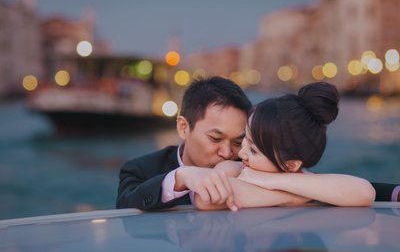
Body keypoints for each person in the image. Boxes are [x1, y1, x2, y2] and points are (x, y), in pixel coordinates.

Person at [116, 77, 399, 210]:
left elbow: (332, 184)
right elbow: (127, 208)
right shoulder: (138, 170)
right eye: (215, 138)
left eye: (241, 141)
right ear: (183, 127)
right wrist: (182, 177)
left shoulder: (249, 162)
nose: (230, 152)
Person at [195, 82, 376, 210]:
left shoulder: (301, 181)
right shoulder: (232, 169)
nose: (240, 153)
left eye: (253, 150)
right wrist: (297, 197)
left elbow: (365, 192)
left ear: (290, 165)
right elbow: (205, 199)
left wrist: (273, 181)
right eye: (245, 138)